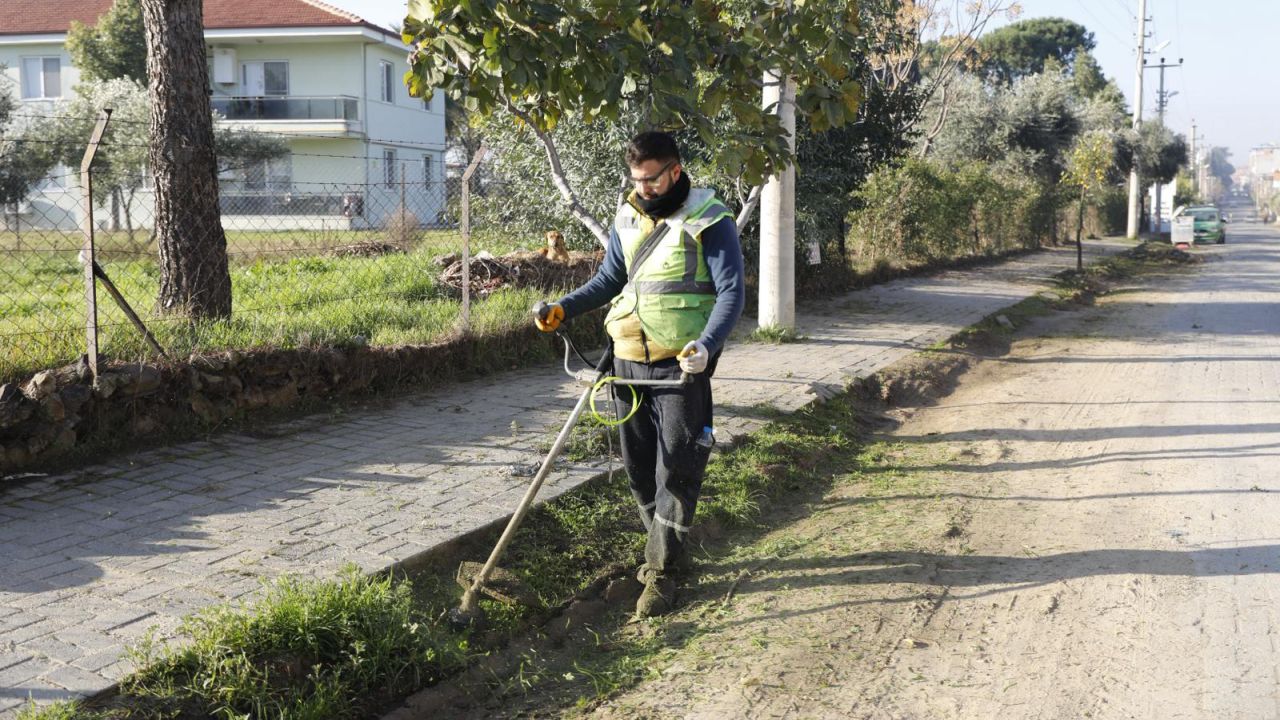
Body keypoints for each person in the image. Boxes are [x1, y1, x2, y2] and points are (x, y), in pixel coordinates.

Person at [533, 131, 745, 617]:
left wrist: (707, 348)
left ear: (674, 170)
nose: (643, 188)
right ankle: (666, 552)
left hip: (680, 365)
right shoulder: (627, 213)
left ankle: (662, 573)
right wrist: (564, 308)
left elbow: (732, 292)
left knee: (677, 469)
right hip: (626, 360)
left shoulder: (709, 218)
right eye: (636, 179)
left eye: (651, 179)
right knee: (638, 469)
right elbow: (610, 280)